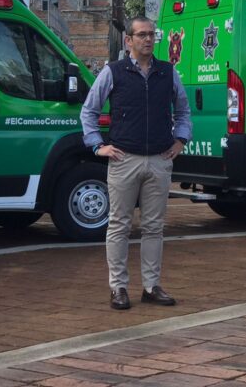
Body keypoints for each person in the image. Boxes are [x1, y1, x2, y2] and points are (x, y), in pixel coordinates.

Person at [81, 16, 192, 310]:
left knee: (154, 227)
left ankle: (151, 286)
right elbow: (89, 111)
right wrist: (97, 145)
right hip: (124, 159)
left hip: (159, 159)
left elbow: (183, 110)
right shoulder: (113, 72)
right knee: (119, 225)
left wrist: (181, 140)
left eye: (151, 35)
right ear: (128, 40)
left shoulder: (168, 73)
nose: (147, 39)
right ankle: (118, 287)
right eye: (141, 35)